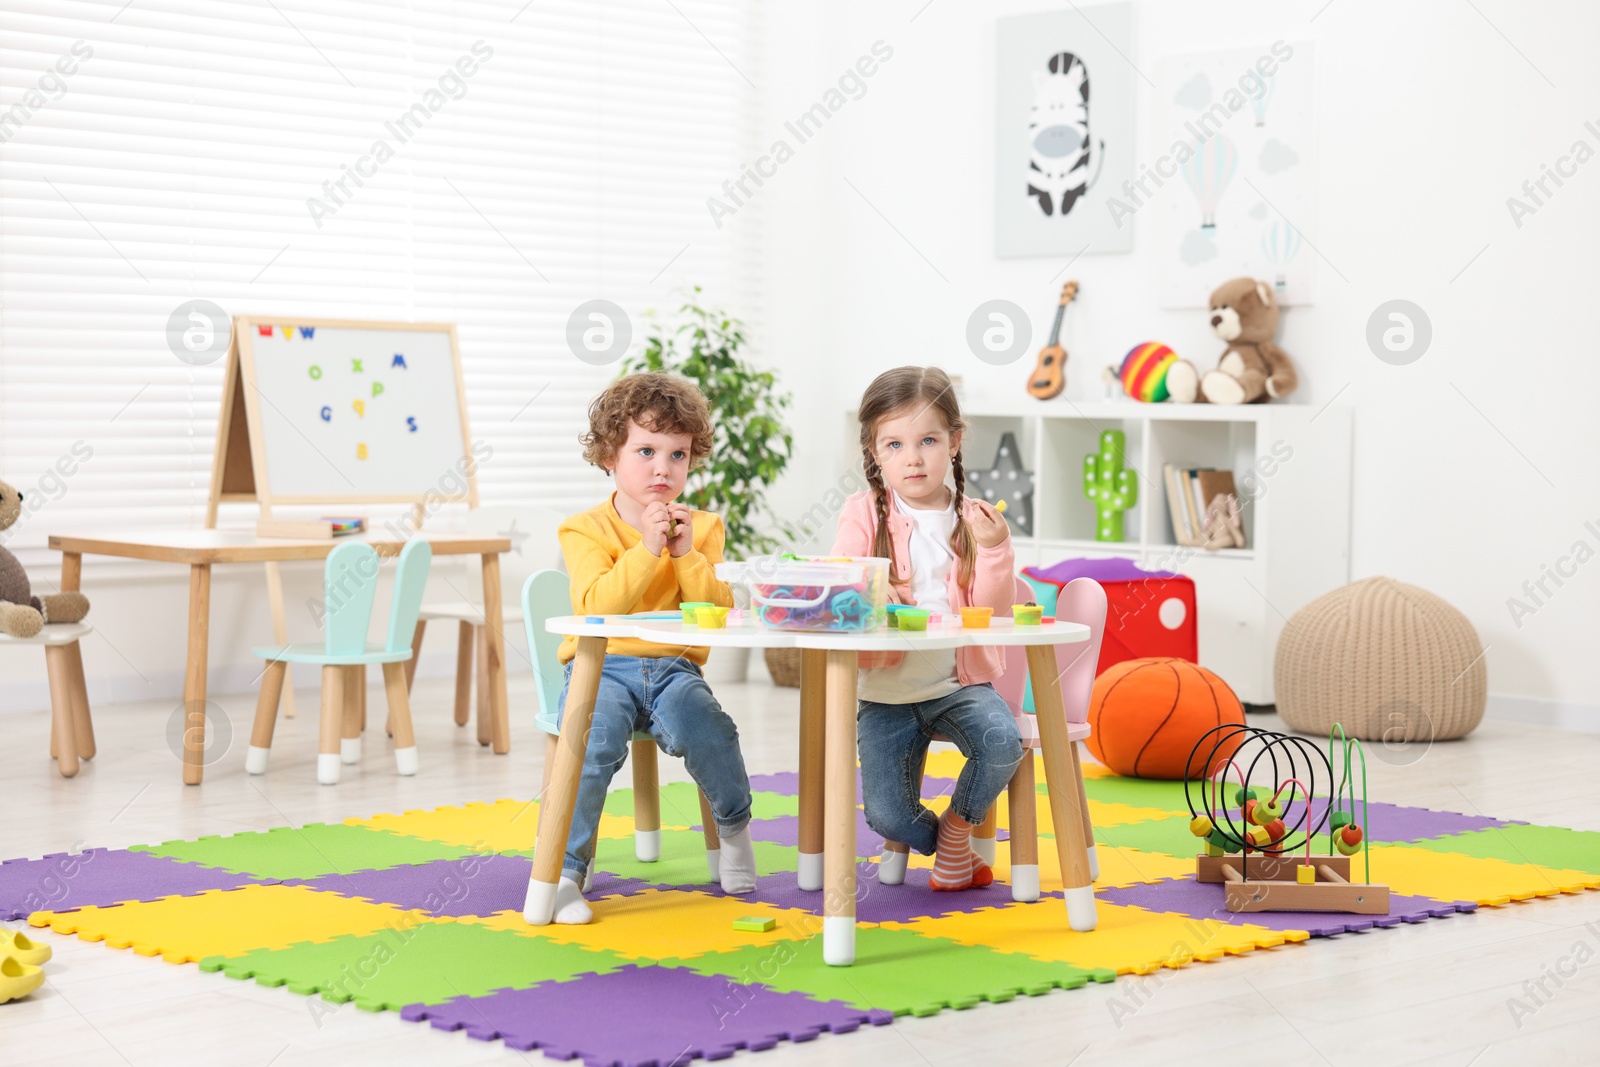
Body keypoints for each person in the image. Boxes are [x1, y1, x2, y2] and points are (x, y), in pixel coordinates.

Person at [538, 372, 755, 924]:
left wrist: (684, 555)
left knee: (713, 732)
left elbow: (716, 612)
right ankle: (565, 872)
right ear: (610, 454)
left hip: (675, 669)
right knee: (592, 742)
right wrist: (646, 548)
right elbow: (594, 605)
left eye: (678, 454)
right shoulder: (583, 529)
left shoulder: (702, 527)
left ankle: (733, 835)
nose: (663, 468)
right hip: (602, 667)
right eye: (646, 450)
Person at [832, 366, 1024, 891]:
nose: (912, 458)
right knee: (887, 819)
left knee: (1003, 742)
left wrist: (995, 549)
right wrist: (872, 588)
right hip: (885, 694)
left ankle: (958, 835)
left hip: (958, 686)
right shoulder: (862, 513)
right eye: (893, 444)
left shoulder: (973, 517)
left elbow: (992, 609)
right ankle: (944, 844)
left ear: (955, 442)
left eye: (928, 441)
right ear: (874, 452)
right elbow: (840, 580)